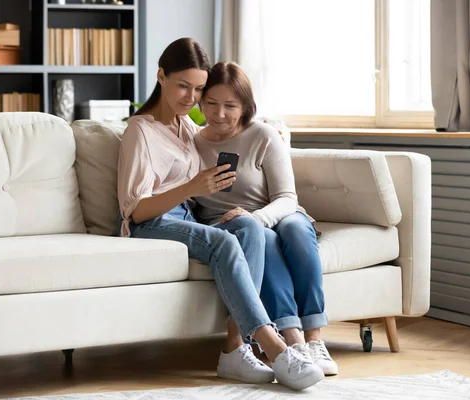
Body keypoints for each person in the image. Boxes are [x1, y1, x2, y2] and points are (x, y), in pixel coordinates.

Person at [116, 38, 323, 391]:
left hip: (186, 218)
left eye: (198, 89)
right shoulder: (141, 130)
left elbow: (227, 132)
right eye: (183, 85)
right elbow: (134, 211)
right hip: (154, 221)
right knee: (223, 244)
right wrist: (191, 187)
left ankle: (235, 348)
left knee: (252, 230)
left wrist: (268, 131)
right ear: (161, 76)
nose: (190, 97)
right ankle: (272, 346)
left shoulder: (186, 129)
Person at [193, 61, 339, 376]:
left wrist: (258, 217)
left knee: (296, 231)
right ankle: (292, 338)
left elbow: (287, 198)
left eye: (230, 106)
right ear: (200, 102)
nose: (219, 114)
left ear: (245, 106)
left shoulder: (263, 135)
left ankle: (314, 338)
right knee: (266, 239)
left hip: (275, 211)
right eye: (212, 104)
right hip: (228, 224)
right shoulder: (193, 142)